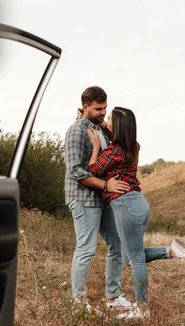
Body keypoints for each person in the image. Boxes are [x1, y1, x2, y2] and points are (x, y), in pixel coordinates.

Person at [86, 106, 185, 319]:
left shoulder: (113, 151)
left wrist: (96, 148)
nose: (106, 120)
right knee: (129, 258)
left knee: (134, 260)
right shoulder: (133, 146)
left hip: (126, 206)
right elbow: (113, 136)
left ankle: (142, 309)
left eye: (109, 118)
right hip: (139, 205)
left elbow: (92, 171)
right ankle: (170, 251)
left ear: (117, 125)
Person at [65, 86, 135, 312]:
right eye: (97, 109)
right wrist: (106, 184)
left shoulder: (99, 129)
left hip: (102, 199)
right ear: (85, 107)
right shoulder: (77, 130)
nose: (103, 112)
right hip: (84, 198)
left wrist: (101, 123)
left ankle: (113, 298)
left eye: (105, 108)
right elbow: (75, 170)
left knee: (117, 243)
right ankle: (79, 303)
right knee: (86, 248)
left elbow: (118, 140)